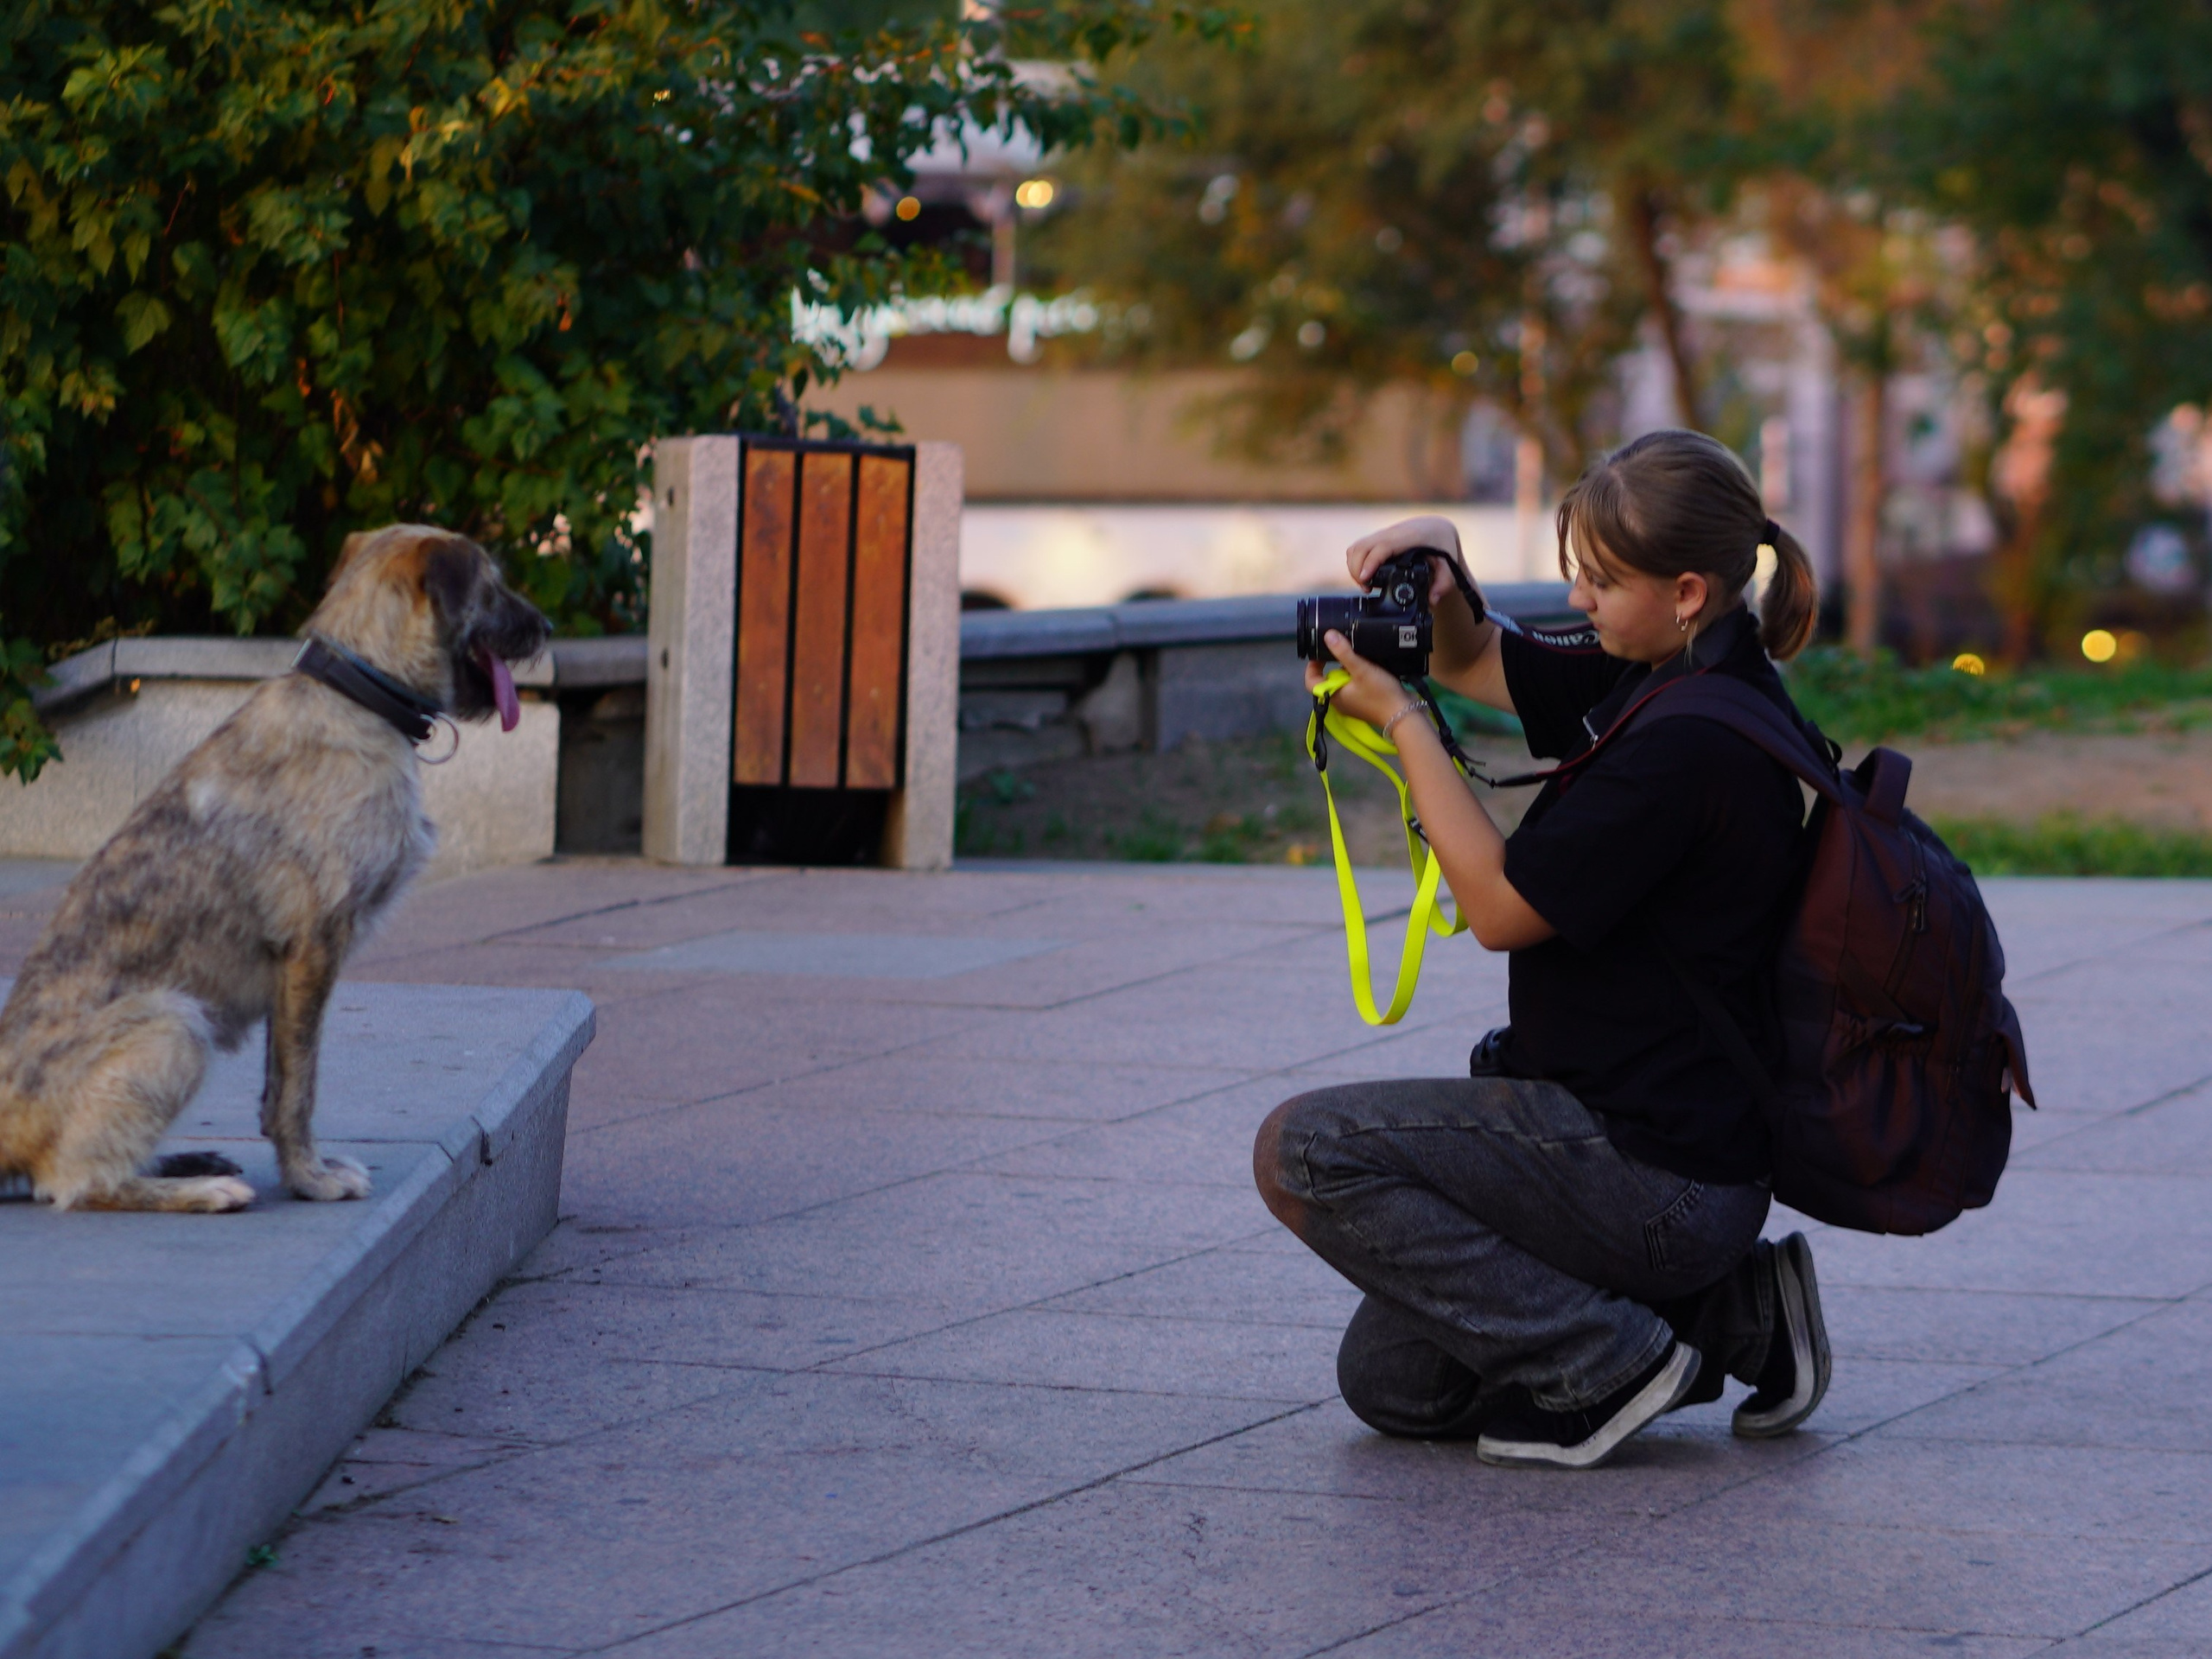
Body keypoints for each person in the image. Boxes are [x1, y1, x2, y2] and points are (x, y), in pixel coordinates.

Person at [1253, 428, 1834, 1471]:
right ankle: (1739, 1313)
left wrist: (1405, 728)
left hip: (1650, 1171)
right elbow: (1474, 657)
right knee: (1392, 1383)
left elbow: (1501, 908)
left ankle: (1606, 1365)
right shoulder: (1668, 672)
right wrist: (1442, 571)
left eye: (1600, 582)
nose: (1578, 601)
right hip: (1661, 1152)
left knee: (1306, 1149)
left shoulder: (1686, 745)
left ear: (1688, 590)